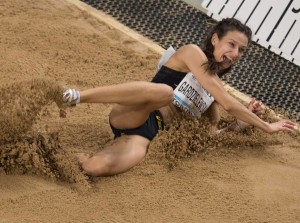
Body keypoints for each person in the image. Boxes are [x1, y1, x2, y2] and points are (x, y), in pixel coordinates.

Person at [62, 18, 295, 177]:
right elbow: (228, 102)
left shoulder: (212, 92)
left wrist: (239, 125)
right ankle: (76, 96)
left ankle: (62, 156)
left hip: (146, 135)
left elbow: (207, 135)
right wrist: (267, 127)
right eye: (231, 44)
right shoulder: (192, 53)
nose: (234, 54)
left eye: (241, 50)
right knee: (163, 92)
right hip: (135, 112)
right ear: (215, 40)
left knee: (93, 168)